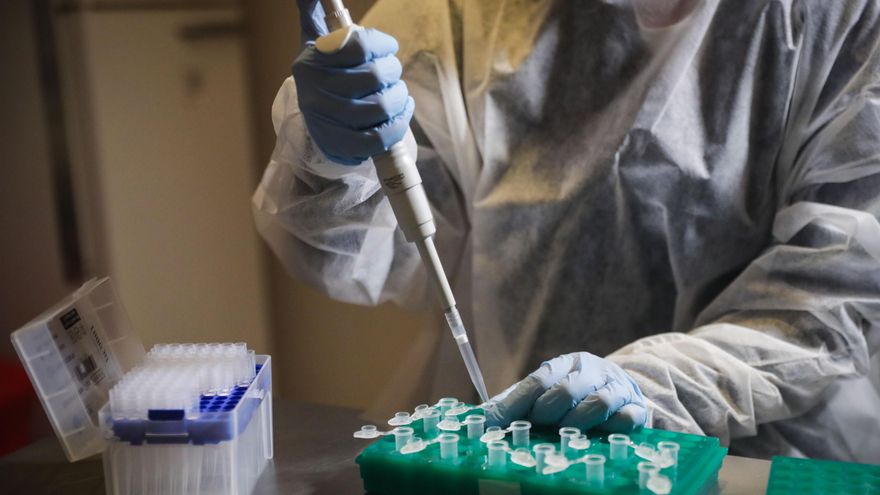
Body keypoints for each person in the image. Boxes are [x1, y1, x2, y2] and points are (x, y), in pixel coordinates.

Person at [253, 0, 880, 462]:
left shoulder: (839, 18)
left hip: (765, 454)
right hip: (519, 449)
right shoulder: (460, 13)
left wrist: (651, 388)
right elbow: (353, 259)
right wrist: (334, 161)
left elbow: (838, 293)